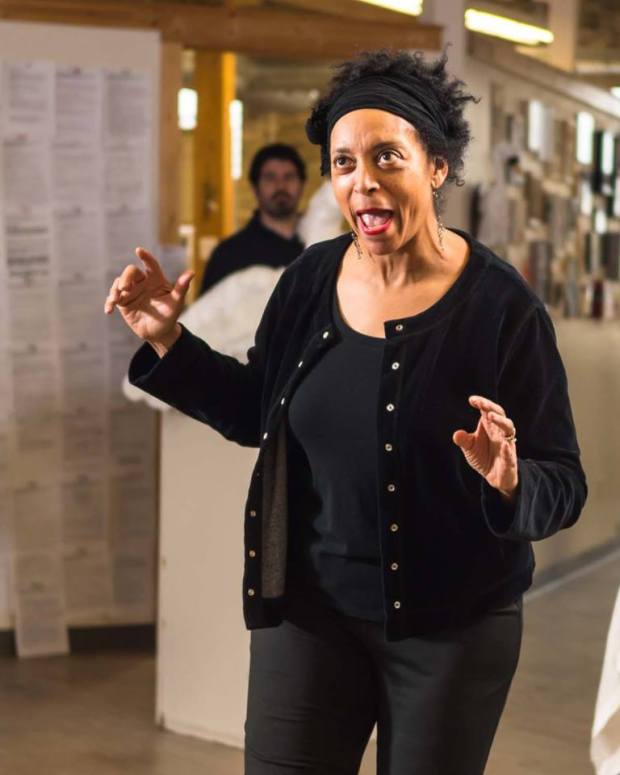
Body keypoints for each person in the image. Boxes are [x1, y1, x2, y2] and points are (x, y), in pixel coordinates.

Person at [105, 49, 587, 775]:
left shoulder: (501, 307)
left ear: (437, 165)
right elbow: (256, 409)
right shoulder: (308, 281)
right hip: (310, 614)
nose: (363, 180)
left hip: (452, 629)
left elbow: (565, 483)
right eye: (343, 162)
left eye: (388, 155)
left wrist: (512, 480)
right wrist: (167, 340)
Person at [198, 143, 306, 295]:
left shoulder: (318, 246)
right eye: (270, 178)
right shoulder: (228, 254)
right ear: (255, 187)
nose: (281, 186)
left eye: (289, 177)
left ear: (302, 184)